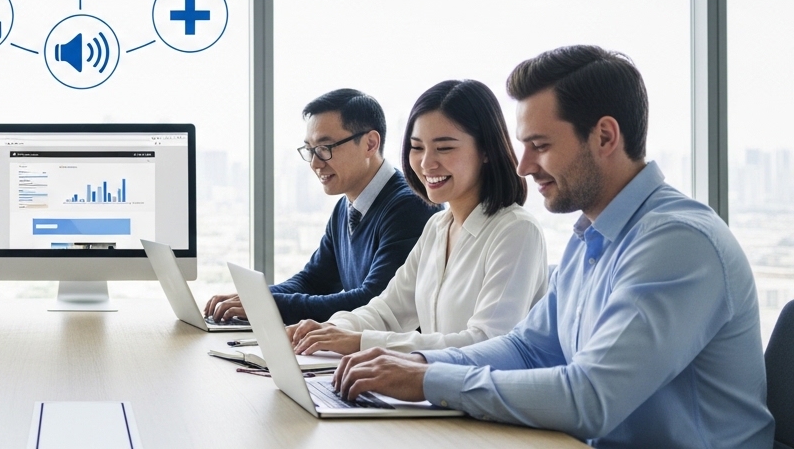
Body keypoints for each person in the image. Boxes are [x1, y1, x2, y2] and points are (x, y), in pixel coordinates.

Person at [332, 46, 775, 448]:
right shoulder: (592, 238)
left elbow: (590, 398)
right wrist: (415, 363)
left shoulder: (677, 242)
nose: (523, 165)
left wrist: (429, 379)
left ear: (604, 137)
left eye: (540, 146)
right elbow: (527, 348)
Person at [288, 80, 547, 356]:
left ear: (485, 150)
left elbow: (485, 343)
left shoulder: (517, 231)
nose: (426, 163)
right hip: (435, 393)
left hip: (481, 396)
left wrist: (359, 341)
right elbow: (386, 311)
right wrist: (326, 329)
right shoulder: (437, 228)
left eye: (444, 148)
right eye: (417, 147)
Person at [204, 89, 437, 324]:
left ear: (370, 144)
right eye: (310, 150)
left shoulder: (410, 207)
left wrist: (267, 305)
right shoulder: (345, 208)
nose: (315, 163)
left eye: (325, 148)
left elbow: (373, 301)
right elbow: (313, 281)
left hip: (397, 356)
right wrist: (256, 297)